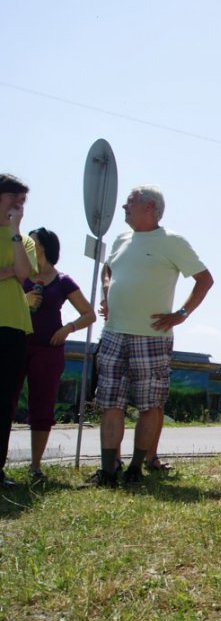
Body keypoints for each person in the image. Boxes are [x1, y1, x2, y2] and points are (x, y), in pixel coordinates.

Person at [91, 185, 213, 486]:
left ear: (150, 208)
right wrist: (107, 290)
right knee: (110, 403)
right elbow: (108, 269)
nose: (124, 207)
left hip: (151, 337)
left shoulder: (172, 242)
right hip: (113, 333)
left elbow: (204, 280)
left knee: (149, 405)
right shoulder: (121, 239)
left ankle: (136, 468)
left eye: (130, 202)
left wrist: (181, 314)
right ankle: (108, 471)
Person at [15, 228, 96, 482]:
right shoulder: (19, 274)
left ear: (44, 247)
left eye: (32, 241)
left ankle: (35, 467)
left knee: (42, 407)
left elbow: (89, 314)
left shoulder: (63, 281)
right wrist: (24, 299)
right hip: (16, 345)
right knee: (5, 402)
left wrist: (68, 329)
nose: (27, 245)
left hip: (48, 351)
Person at [0, 174, 37, 487]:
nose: (18, 205)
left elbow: (24, 274)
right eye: (13, 197)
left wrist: (14, 231)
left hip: (14, 327)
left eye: (22, 200)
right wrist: (8, 271)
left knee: (5, 402)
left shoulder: (23, 240)